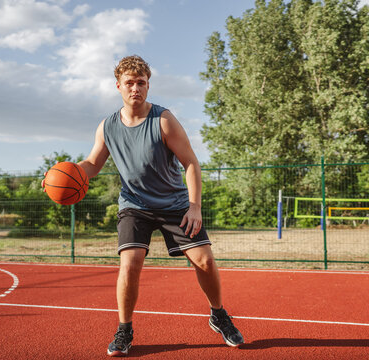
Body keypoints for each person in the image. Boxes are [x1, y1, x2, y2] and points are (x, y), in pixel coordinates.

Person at [77, 55, 244, 356]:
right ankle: (124, 329)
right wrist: (62, 174)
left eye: (141, 83)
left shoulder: (163, 120)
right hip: (135, 204)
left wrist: (194, 206)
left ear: (148, 85)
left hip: (175, 204)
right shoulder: (108, 126)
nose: (135, 89)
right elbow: (91, 164)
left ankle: (218, 315)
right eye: (129, 83)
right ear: (118, 86)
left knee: (204, 260)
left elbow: (191, 163)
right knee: (130, 265)